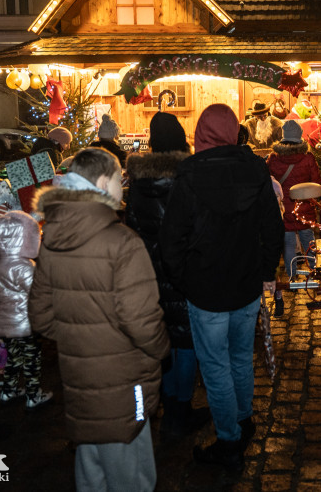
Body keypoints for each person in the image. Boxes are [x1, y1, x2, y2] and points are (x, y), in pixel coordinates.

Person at [29, 147, 169, 492]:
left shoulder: (52, 237)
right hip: (126, 378)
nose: (124, 186)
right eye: (121, 178)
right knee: (131, 469)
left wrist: (80, 337)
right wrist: (163, 348)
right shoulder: (122, 241)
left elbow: (40, 315)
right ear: (104, 182)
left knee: (91, 463)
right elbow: (141, 321)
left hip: (79, 375)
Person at [160, 104, 284, 471]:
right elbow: (272, 227)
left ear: (201, 134)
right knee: (240, 358)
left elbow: (171, 240)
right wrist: (266, 271)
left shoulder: (189, 175)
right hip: (245, 285)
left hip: (206, 291)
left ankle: (229, 442)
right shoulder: (256, 169)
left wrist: (186, 281)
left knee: (216, 368)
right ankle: (243, 420)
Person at [124, 112, 210, 439]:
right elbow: (196, 227)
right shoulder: (188, 176)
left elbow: (132, 227)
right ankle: (179, 412)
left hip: (149, 272)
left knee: (164, 337)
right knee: (185, 341)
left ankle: (170, 403)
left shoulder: (138, 180)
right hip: (182, 270)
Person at [0, 211, 52, 408]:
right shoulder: (24, 267)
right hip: (26, 325)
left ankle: (9, 390)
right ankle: (33, 395)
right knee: (32, 359)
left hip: (4, 325)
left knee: (13, 358)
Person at [266, 119, 321, 317]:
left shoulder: (273, 159)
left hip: (284, 209)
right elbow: (317, 181)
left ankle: (292, 278)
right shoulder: (307, 158)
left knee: (288, 243)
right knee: (308, 239)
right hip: (304, 207)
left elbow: (268, 183)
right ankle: (314, 271)